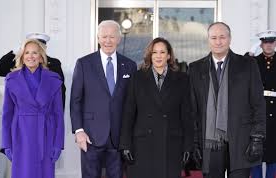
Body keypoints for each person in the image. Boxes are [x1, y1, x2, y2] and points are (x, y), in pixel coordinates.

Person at [188, 22, 266, 178]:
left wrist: (257, 137)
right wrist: (194, 144)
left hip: (241, 141)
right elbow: (192, 110)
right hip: (209, 144)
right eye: (214, 37)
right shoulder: (195, 68)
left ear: (230, 39)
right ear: (208, 40)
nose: (218, 42)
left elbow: (258, 103)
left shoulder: (247, 65)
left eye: (222, 37)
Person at [70, 20, 137, 178]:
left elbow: (132, 103)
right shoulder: (84, 63)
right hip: (90, 136)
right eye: (104, 36)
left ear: (119, 39)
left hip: (118, 137)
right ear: (98, 38)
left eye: (112, 37)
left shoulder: (130, 65)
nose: (108, 41)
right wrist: (79, 131)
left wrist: (130, 135)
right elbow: (75, 100)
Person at [119, 37, 193, 178]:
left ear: (169, 55)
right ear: (149, 55)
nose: (158, 56)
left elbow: (187, 115)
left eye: (162, 52)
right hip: (142, 144)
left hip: (171, 144)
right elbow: (129, 113)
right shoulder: (137, 78)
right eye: (154, 52)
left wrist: (187, 146)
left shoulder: (182, 79)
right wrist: (125, 144)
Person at [0, 39, 64, 178]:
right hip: (20, 136)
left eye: (35, 53)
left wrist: (58, 144)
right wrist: (6, 144)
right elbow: (7, 115)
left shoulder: (53, 79)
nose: (30, 56)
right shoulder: (12, 79)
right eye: (27, 52)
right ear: (22, 56)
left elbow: (58, 114)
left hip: (46, 136)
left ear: (41, 57)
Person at [0, 32, 66, 108]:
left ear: (43, 48)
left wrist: (59, 114)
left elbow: (60, 90)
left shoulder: (54, 63)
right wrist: (14, 52)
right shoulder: (21, 62)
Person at [250, 30, 276, 178]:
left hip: (275, 110)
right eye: (265, 42)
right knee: (256, 150)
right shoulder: (254, 61)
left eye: (271, 42)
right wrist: (250, 53)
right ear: (261, 44)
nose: (268, 45)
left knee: (273, 152)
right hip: (257, 110)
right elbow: (241, 68)